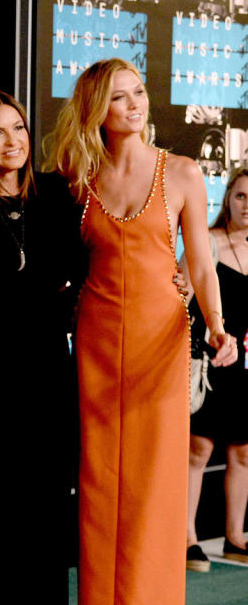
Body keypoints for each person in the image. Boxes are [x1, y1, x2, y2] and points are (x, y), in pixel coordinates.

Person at [47, 57, 237, 605]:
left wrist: (217, 326)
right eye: (119, 97)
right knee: (101, 476)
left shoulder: (182, 172)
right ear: (96, 110)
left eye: (139, 92)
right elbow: (63, 264)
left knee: (154, 480)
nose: (136, 104)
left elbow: (200, 263)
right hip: (96, 338)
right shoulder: (76, 177)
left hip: (161, 336)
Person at [0, 90, 82, 603]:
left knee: (45, 507)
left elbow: (97, 266)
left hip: (47, 372)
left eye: (20, 129)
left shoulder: (54, 195)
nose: (13, 142)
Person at [184, 169, 248, 571]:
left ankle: (235, 536)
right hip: (208, 363)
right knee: (198, 450)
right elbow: (182, 295)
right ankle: (188, 537)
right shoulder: (206, 241)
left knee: (243, 452)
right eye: (241, 196)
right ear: (228, 199)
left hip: (245, 365)